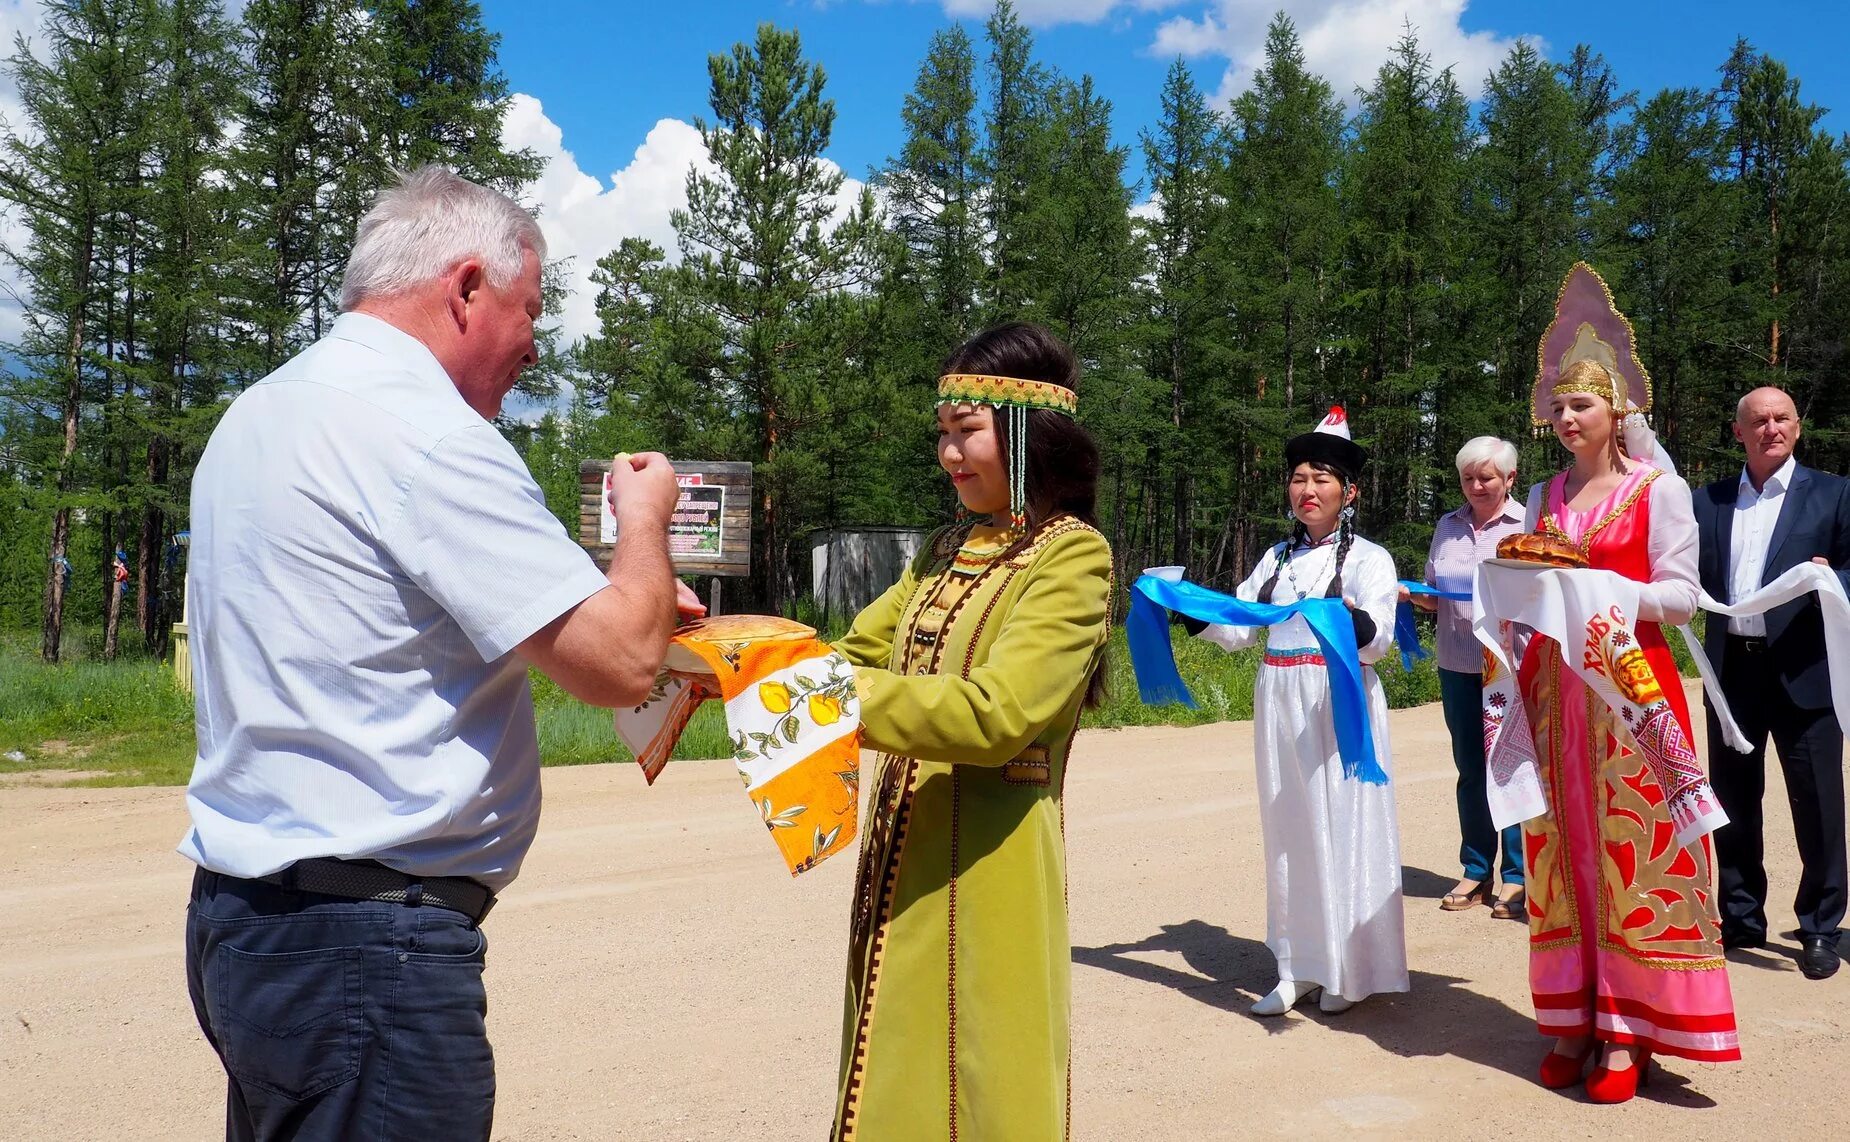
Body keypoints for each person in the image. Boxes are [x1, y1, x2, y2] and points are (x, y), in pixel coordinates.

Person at [181, 166, 701, 1141]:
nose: (535, 342)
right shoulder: (427, 434)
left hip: (246, 924)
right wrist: (645, 518)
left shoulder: (263, 414)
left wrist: (598, 594)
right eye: (529, 307)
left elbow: (376, 623)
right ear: (466, 287)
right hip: (369, 945)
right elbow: (620, 665)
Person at [829, 323, 1113, 1142]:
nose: (951, 456)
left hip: (992, 867)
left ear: (1025, 435)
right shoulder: (944, 547)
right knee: (893, 1064)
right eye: (943, 436)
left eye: (969, 433)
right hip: (903, 851)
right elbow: (850, 652)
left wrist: (824, 695)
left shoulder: (1073, 558)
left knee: (983, 1069)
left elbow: (998, 715)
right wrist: (735, 657)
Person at [1513, 263, 1738, 1103]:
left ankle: (1630, 1028)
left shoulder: (1659, 490)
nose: (1569, 418)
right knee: (1562, 851)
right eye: (1560, 407)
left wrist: (1601, 589)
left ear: (1619, 412)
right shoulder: (1542, 494)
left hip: (1633, 692)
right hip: (1554, 695)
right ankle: (1575, 1014)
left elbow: (1681, 599)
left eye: (1584, 406)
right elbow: (1537, 582)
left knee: (1634, 859)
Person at [1182, 407, 1409, 1016]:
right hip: (1280, 700)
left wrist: (1347, 616)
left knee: (1339, 821)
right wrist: (1186, 608)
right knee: (1288, 830)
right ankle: (1295, 965)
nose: (1308, 491)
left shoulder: (1370, 560)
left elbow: (1378, 640)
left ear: (1349, 491)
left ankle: (1345, 968)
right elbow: (1239, 628)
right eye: (1299, 478)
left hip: (1339, 703)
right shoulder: (1276, 561)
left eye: (1323, 479)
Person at [1693, 386, 1850, 979]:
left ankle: (1818, 927)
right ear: (1739, 432)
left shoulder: (1835, 494)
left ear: (1798, 427)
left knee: (1817, 804)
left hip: (1806, 671)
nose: (1771, 428)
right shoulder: (1705, 501)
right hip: (1731, 669)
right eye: (1758, 420)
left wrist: (1832, 580)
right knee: (1732, 801)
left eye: (1782, 418)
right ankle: (1741, 917)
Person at [1406, 437, 1527, 918]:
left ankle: (1518, 877)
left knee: (1513, 767)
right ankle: (1476, 870)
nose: (1477, 486)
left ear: (1509, 479)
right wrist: (1407, 594)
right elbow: (1434, 594)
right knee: (1470, 770)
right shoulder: (1447, 525)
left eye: (1487, 477)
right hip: (1457, 663)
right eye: (1468, 478)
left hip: (1511, 666)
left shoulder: (1528, 523)